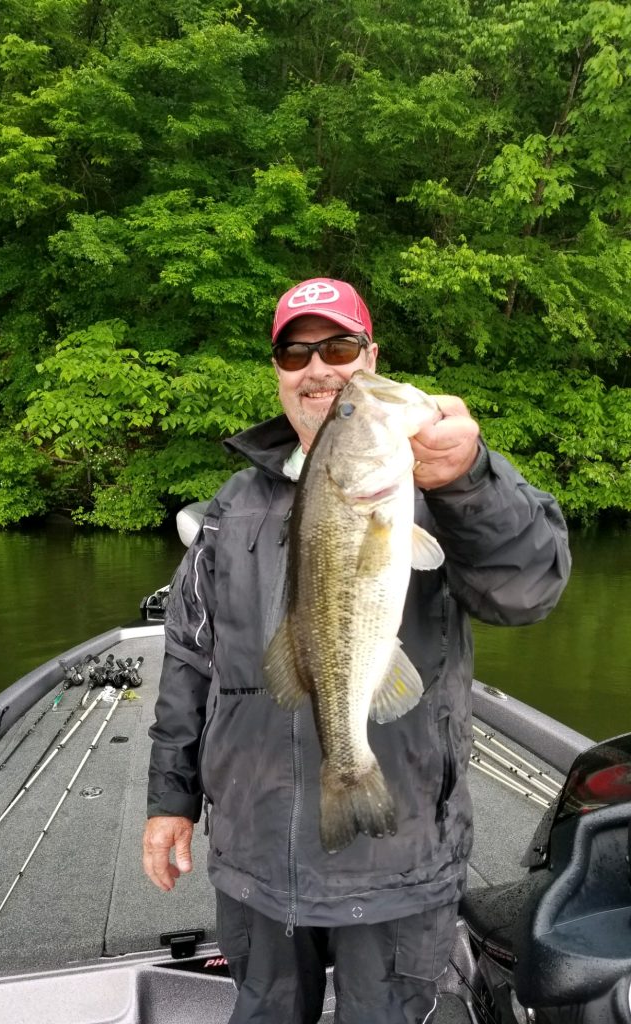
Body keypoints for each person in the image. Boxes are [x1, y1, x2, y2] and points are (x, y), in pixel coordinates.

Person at [142, 278, 571, 1024]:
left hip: (397, 856)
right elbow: (189, 657)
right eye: (295, 351)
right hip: (255, 859)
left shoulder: (435, 491)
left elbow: (528, 589)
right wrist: (170, 800)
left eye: (339, 348)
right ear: (277, 370)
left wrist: (469, 481)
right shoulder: (230, 509)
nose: (319, 369)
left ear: (371, 357)